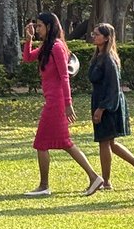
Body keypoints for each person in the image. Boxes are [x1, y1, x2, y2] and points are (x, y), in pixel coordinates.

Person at [21, 12, 102, 197]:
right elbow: (28, 58)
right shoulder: (47, 46)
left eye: (40, 26)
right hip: (52, 100)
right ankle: (93, 177)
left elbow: (65, 76)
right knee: (62, 143)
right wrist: (29, 39)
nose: (37, 28)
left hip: (56, 102)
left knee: (43, 143)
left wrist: (67, 103)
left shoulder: (57, 47)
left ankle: (45, 186)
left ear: (49, 26)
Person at [89, 23, 134, 190]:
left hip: (108, 105)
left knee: (104, 142)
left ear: (106, 38)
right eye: (94, 33)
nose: (94, 36)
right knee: (110, 143)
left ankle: (106, 181)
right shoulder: (98, 57)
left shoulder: (108, 59)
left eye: (97, 34)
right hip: (101, 102)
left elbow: (113, 87)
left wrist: (102, 108)